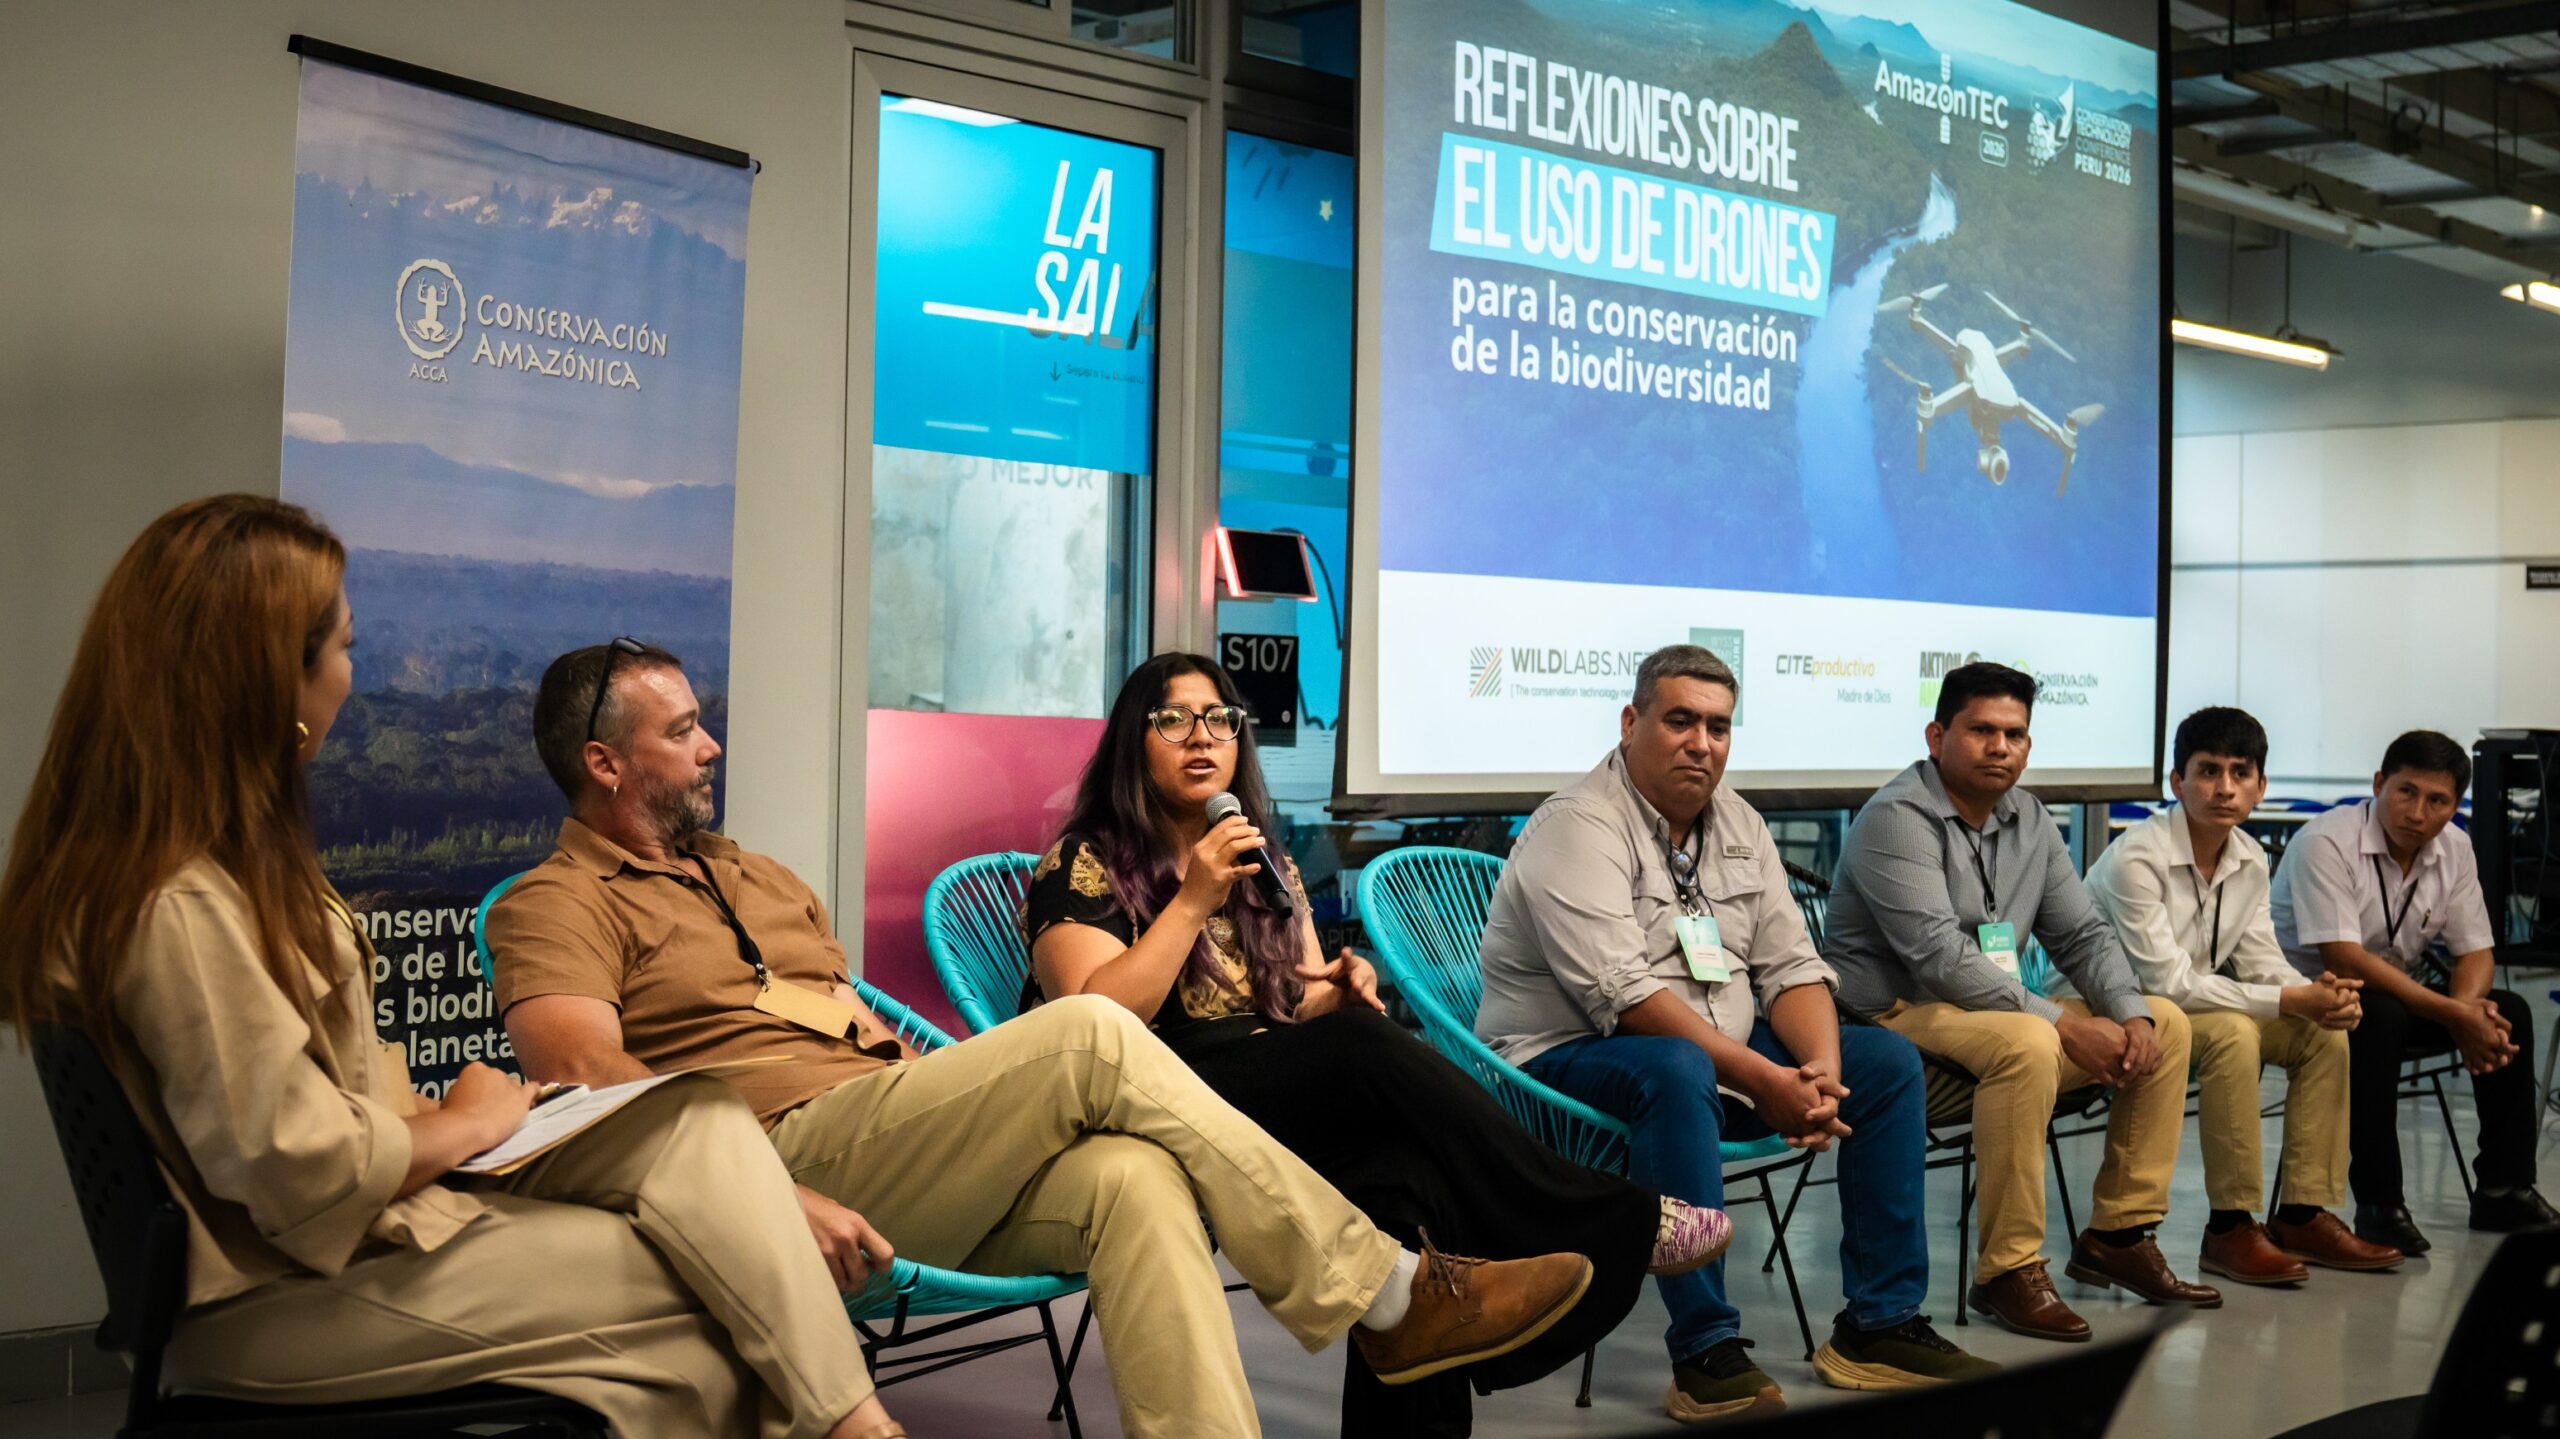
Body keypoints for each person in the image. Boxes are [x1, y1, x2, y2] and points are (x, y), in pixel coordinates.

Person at [488, 641, 1597, 1439]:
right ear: (605, 762)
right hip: (776, 1161)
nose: (710, 742)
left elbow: (848, 1017)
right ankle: (1388, 1294)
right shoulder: (553, 902)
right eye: (681, 729)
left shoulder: (755, 874)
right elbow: (587, 1082)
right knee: (1089, 1032)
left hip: (894, 1140)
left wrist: (956, 1086)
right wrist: (769, 1193)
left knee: (1136, 1179)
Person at [0, 496, 901, 1439]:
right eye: (344, 648)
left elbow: (281, 1107)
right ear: (269, 681)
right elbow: (299, 1168)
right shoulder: (183, 902)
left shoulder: (184, 867)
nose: (354, 676)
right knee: (718, 1276)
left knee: (695, 1171)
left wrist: (444, 1114)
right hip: (279, 1293)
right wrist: (469, 1121)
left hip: (329, 1246)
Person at [1021, 653, 1734, 1439]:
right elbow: (1092, 1022)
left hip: (1249, 1092)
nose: (1202, 736)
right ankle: (1608, 1215)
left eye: (1220, 719)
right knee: (1362, 1046)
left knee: (1408, 1187)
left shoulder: (1259, 858)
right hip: (1144, 1094)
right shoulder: (1084, 859)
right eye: (1173, 719)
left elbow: (1288, 1000)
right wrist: (1193, 897)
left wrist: (1333, 991)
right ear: (1134, 739)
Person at [1476, 644, 1996, 1425]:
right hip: (1562, 1063)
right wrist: (1763, 1080)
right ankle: (1704, 1348)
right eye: (1680, 720)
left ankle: (1880, 1325)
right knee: (1676, 1067)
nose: (1701, 743)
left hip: (1711, 1057)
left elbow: (1793, 966)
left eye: (1718, 726)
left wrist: (1819, 1075)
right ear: (1631, 722)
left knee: (1884, 1061)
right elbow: (1627, 999)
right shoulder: (1576, 826)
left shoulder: (1741, 823)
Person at [1824, 661, 2217, 1344]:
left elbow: (2082, 933)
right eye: (1982, 730)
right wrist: (2060, 1021)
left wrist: (2129, 1012)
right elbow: (1938, 957)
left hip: (1986, 1015)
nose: (2000, 747)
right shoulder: (1897, 817)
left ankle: (2119, 1234)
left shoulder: (2029, 817)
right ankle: (2007, 1269)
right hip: (1888, 1016)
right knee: (2031, 1040)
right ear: (1937, 736)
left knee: (2166, 1022)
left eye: (2015, 734)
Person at [2085, 707, 2402, 1285]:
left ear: (2261, 786)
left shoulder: (2250, 857)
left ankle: (2302, 1213)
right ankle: (2230, 1227)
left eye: (2240, 773)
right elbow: (2165, 982)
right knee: (2234, 1033)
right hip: (2114, 1009)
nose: (2224, 788)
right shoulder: (2138, 857)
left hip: (2189, 1008)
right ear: (2176, 782)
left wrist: (2319, 994)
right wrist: (2288, 1001)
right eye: (2208, 771)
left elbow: (2261, 961)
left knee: (2321, 1033)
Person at [2269, 729, 2556, 1254]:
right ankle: (2380, 1204)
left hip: (2391, 998)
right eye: (2406, 792)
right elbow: (2344, 960)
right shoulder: (2325, 842)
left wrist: (2467, 1013)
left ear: (2455, 806)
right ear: (2379, 784)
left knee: (2508, 1009)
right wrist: (2454, 1015)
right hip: (2307, 1002)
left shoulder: (2455, 848)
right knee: (2376, 1016)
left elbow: (2476, 951)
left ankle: (2504, 1189)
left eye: (2438, 801)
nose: (2418, 813)